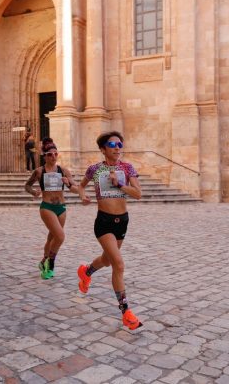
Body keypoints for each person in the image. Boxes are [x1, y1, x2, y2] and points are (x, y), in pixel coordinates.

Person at [77, 131, 143, 330]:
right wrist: (83, 196)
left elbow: (138, 194)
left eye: (119, 144)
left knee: (107, 260)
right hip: (103, 222)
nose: (117, 148)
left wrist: (120, 184)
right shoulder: (95, 169)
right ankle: (126, 312)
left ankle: (86, 271)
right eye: (112, 144)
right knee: (119, 265)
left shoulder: (127, 168)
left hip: (122, 221)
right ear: (103, 149)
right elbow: (80, 186)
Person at [25, 137, 79, 279]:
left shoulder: (63, 170)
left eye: (55, 154)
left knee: (52, 238)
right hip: (47, 207)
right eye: (50, 154)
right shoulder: (39, 171)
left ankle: (44, 261)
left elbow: (75, 188)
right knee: (60, 236)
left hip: (61, 208)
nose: (53, 156)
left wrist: (68, 184)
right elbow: (27, 185)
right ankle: (51, 264)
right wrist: (34, 192)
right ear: (44, 156)